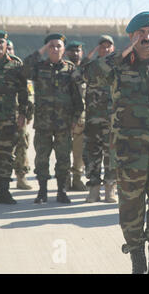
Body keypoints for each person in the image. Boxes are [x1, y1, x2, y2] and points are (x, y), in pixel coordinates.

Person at [87, 11, 149, 274]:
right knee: (131, 206)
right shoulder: (118, 65)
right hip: (129, 153)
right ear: (131, 37)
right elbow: (91, 74)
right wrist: (121, 53)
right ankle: (137, 258)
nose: (147, 37)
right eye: (140, 33)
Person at [23, 34, 84, 204]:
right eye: (51, 46)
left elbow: (79, 98)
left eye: (58, 46)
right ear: (46, 49)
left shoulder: (70, 69)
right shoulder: (39, 67)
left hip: (64, 124)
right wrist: (41, 51)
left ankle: (61, 191)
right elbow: (24, 69)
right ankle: (42, 192)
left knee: (63, 158)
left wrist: (75, 119)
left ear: (64, 49)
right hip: (43, 123)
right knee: (42, 158)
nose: (55, 49)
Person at [0, 30, 29, 204]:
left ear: (6, 44)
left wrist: (23, 114)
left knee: (6, 155)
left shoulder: (16, 65)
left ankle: (4, 191)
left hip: (8, 118)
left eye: (1, 42)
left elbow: (23, 92)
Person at [81, 35, 117, 203]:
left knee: (112, 155)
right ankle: (93, 189)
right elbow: (75, 75)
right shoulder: (90, 67)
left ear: (113, 49)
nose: (105, 49)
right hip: (93, 121)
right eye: (102, 46)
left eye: (108, 47)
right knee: (92, 155)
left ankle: (110, 189)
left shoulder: (119, 67)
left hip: (112, 122)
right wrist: (90, 56)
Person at [7, 39, 34, 190]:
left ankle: (21, 176)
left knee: (22, 145)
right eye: (7, 48)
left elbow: (28, 94)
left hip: (18, 115)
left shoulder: (19, 69)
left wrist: (27, 114)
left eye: (10, 48)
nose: (8, 51)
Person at [65, 41, 87, 191]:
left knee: (79, 152)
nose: (75, 53)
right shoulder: (63, 70)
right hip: (65, 117)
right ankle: (65, 180)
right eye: (72, 51)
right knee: (64, 150)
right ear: (66, 53)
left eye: (78, 50)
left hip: (82, 117)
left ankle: (78, 179)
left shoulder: (87, 70)